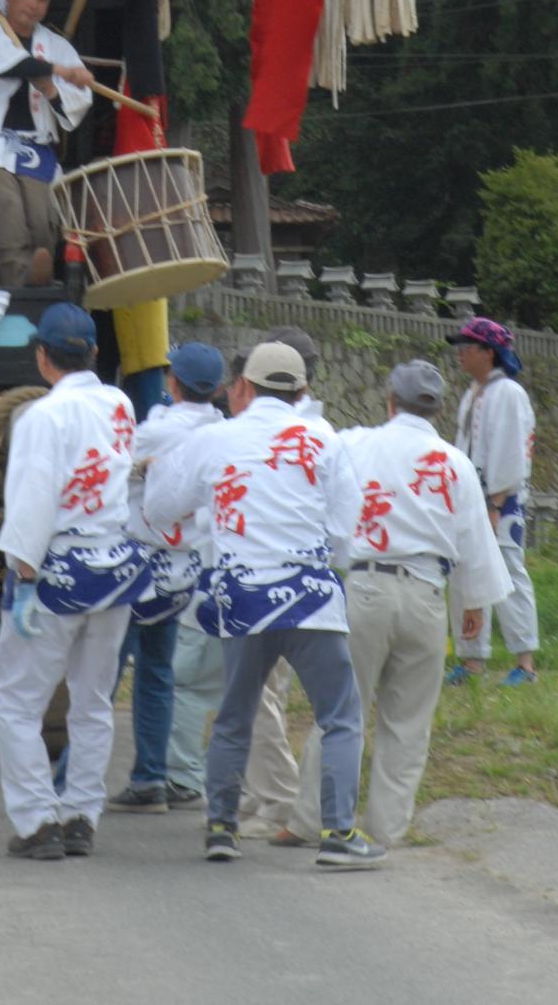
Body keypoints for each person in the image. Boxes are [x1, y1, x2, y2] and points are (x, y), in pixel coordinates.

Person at [146, 339, 383, 871]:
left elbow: (161, 506)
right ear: (303, 392)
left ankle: (221, 828)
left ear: (244, 387)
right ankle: (339, 833)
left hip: (242, 599)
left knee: (235, 715)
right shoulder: (324, 438)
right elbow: (346, 534)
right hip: (310, 600)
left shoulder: (214, 439)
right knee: (339, 716)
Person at [280, 359, 511, 848]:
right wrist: (472, 606)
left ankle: (305, 820)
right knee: (407, 724)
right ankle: (385, 831)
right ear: (439, 409)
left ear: (390, 401)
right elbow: (475, 542)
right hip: (427, 592)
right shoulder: (454, 462)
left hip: (364, 587)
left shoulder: (358, 443)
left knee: (341, 709)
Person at [0, 301, 148, 860]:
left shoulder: (42, 417)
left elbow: (34, 498)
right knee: (93, 698)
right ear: (95, 354)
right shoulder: (119, 403)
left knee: (16, 701)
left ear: (41, 357)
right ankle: (83, 813)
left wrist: (25, 576)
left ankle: (37, 822)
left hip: (58, 567)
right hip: (114, 566)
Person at [167, 325, 321, 824]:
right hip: (282, 584)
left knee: (255, 699)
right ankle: (262, 795)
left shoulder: (288, 437)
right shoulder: (308, 435)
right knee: (260, 696)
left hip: (262, 585)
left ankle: (280, 800)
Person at [108, 340, 227, 814]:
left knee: (104, 675)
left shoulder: (155, 432)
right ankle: (151, 777)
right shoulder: (221, 433)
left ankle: (70, 779)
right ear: (218, 388)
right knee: (156, 672)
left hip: (138, 566)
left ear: (171, 383)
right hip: (187, 571)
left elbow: (112, 468)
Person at [0, 0, 95, 289]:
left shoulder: (57, 45)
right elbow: (9, 65)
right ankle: (19, 283)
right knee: (3, 207)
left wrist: (51, 88)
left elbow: (78, 103)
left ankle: (39, 277)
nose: (33, 4)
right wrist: (58, 72)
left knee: (40, 218)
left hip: (35, 149)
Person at [447, 315, 539, 686]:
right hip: (471, 498)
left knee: (507, 575)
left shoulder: (509, 393)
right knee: (464, 574)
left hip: (501, 501)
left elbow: (511, 453)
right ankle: (471, 661)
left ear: (489, 352)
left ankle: (525, 663)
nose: (460, 354)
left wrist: (496, 503)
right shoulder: (474, 392)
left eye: (467, 347)